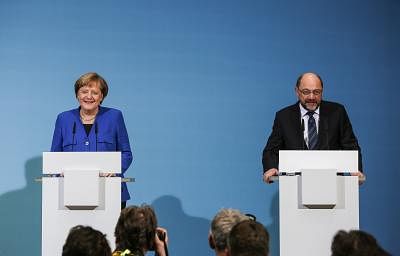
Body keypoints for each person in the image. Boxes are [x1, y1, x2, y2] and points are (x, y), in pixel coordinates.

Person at [262, 72, 364, 183]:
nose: (311, 97)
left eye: (316, 92)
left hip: (331, 182)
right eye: (306, 92)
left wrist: (356, 169)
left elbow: (350, 145)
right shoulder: (284, 116)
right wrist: (270, 168)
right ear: (297, 91)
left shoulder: (337, 112)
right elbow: (271, 149)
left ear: (322, 91)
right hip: (294, 184)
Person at [51, 72, 133, 208]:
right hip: (71, 192)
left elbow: (126, 154)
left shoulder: (114, 116)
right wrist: (58, 171)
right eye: (84, 92)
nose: (89, 97)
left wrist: (115, 170)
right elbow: (55, 156)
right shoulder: (63, 119)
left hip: (110, 190)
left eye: (94, 92)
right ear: (77, 95)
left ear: (101, 96)